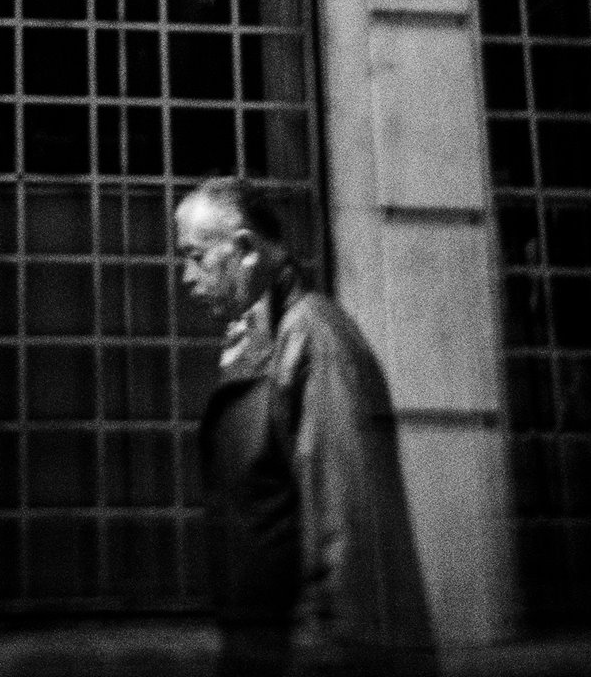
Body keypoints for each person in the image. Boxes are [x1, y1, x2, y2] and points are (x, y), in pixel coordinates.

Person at [176, 177, 436, 676]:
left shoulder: (311, 338)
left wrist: (332, 646)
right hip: (269, 645)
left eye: (196, 256)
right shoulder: (269, 338)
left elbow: (343, 513)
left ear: (246, 249)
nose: (187, 276)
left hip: (303, 652)